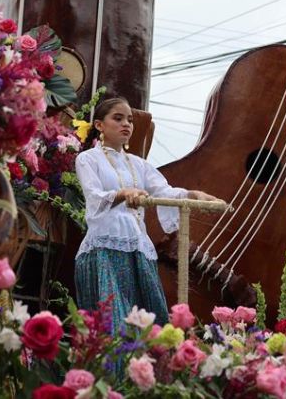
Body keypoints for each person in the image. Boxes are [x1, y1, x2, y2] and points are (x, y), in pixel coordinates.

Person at [73, 98, 219, 332]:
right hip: (104, 249)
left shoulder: (139, 164)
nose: (126, 125)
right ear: (99, 125)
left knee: (149, 323)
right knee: (113, 324)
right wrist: (122, 193)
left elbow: (164, 192)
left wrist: (193, 194)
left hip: (138, 248)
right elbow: (95, 198)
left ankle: (147, 369)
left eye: (129, 120)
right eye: (118, 118)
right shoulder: (88, 159)